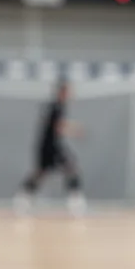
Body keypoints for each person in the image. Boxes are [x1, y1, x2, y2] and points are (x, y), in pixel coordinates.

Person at [15, 79, 86, 214]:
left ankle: (24, 197)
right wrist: (75, 130)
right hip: (50, 146)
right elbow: (57, 127)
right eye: (67, 91)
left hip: (50, 145)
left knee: (61, 169)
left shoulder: (54, 106)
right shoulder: (56, 107)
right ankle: (75, 200)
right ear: (61, 92)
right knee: (55, 169)